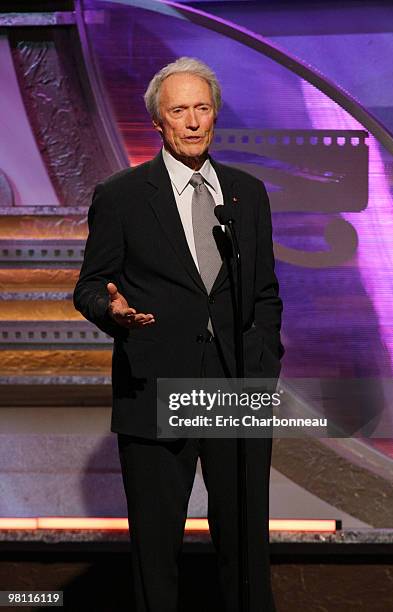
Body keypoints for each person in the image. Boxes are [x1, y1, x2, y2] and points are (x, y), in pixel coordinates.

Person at [73, 57, 284, 612]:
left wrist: (263, 366)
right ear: (158, 123)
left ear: (214, 115)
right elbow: (90, 285)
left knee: (244, 548)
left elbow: (265, 293)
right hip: (155, 385)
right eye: (179, 111)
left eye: (202, 108)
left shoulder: (247, 193)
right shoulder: (121, 195)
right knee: (156, 548)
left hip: (235, 390)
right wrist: (112, 313)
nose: (192, 121)